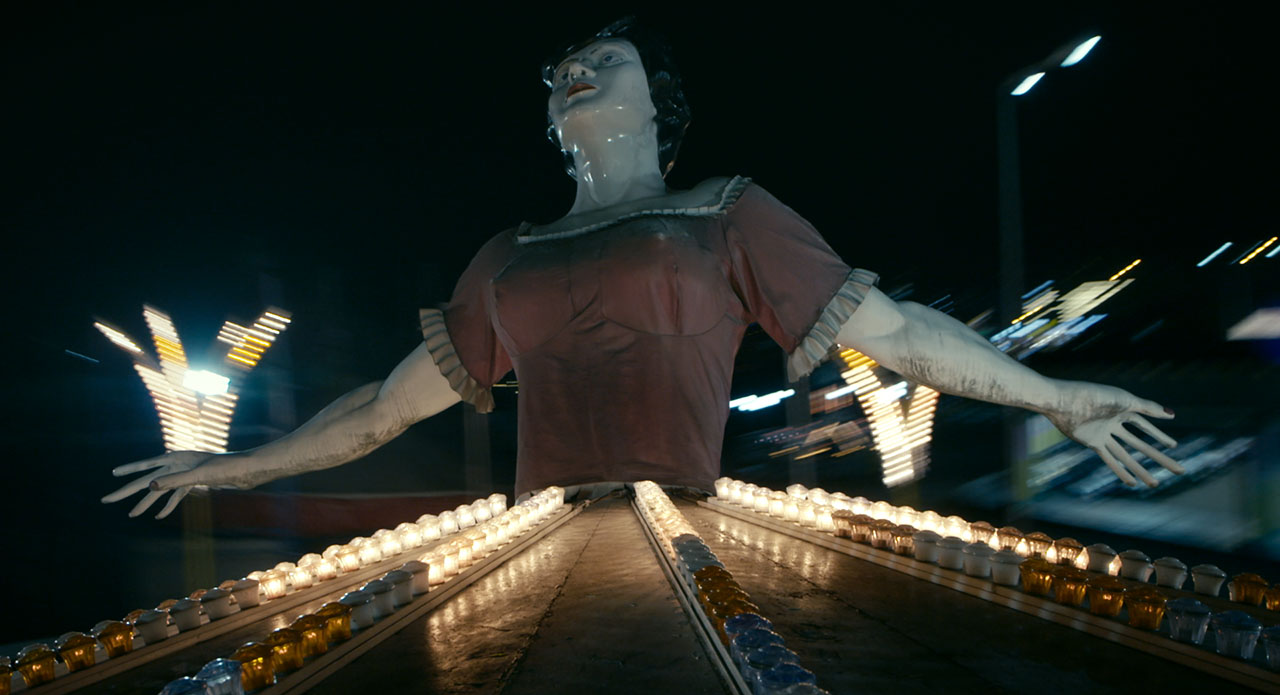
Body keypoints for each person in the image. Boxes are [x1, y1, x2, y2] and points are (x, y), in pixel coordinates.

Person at [104, 19, 1183, 519]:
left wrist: (1051, 397)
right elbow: (386, 407)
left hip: (683, 533)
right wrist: (235, 467)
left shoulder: (725, 211)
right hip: (536, 538)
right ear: (550, 117)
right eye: (561, 70)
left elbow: (895, 332)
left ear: (656, 102)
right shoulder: (506, 256)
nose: (575, 73)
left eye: (602, 61)